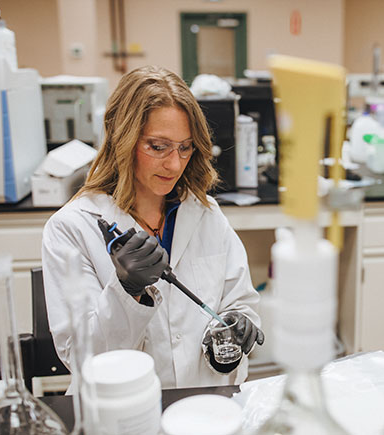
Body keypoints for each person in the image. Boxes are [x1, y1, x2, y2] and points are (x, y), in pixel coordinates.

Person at [42, 65, 264, 389]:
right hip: (122, 412)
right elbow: (81, 357)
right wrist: (126, 292)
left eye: (185, 147)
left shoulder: (206, 214)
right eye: (158, 147)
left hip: (204, 408)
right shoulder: (72, 228)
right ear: (122, 138)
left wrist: (233, 332)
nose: (174, 164)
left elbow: (239, 302)